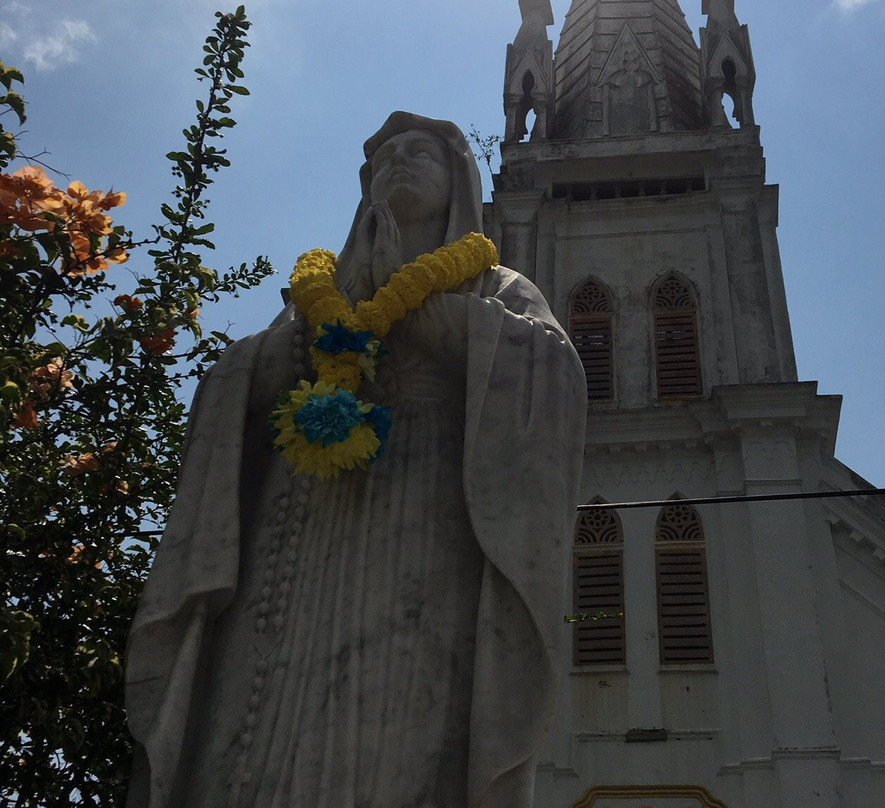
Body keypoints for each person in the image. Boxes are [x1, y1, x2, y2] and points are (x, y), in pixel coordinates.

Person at [125, 112, 587, 808]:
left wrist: (443, 321)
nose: (401, 162)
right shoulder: (321, 297)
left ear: (458, 177)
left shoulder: (493, 288)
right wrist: (287, 353)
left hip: (424, 523)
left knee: (399, 725)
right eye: (386, 157)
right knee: (258, 725)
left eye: (421, 152)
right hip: (298, 525)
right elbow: (231, 385)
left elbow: (554, 373)